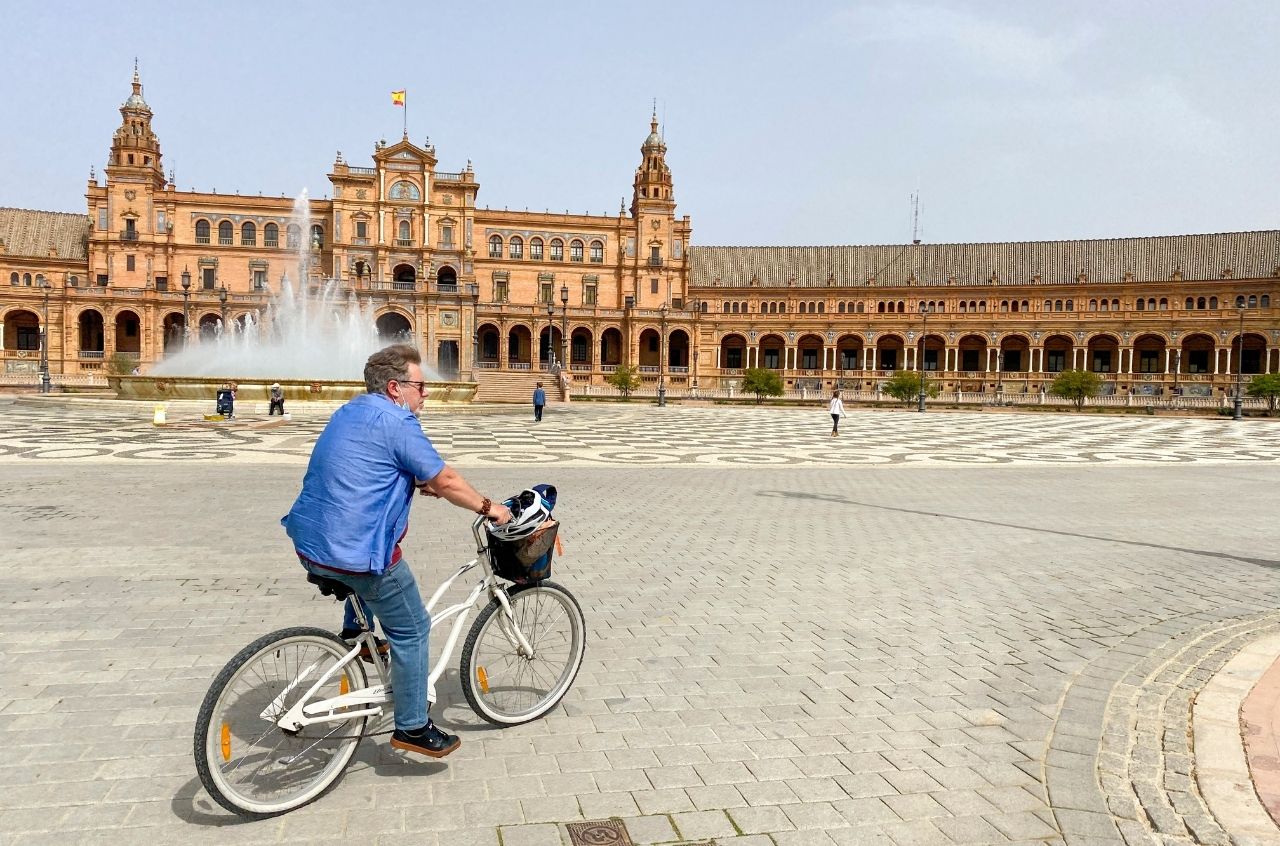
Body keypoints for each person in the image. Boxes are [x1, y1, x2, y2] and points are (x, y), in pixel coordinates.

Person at [281, 344, 512, 759]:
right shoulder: (399, 422)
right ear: (395, 388)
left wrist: (409, 479)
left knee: (362, 576)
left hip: (309, 540)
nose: (426, 395)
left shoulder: (349, 411)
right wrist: (489, 508)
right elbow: (446, 479)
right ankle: (412, 726)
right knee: (412, 627)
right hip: (352, 552)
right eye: (420, 386)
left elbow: (367, 464)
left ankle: (358, 632)